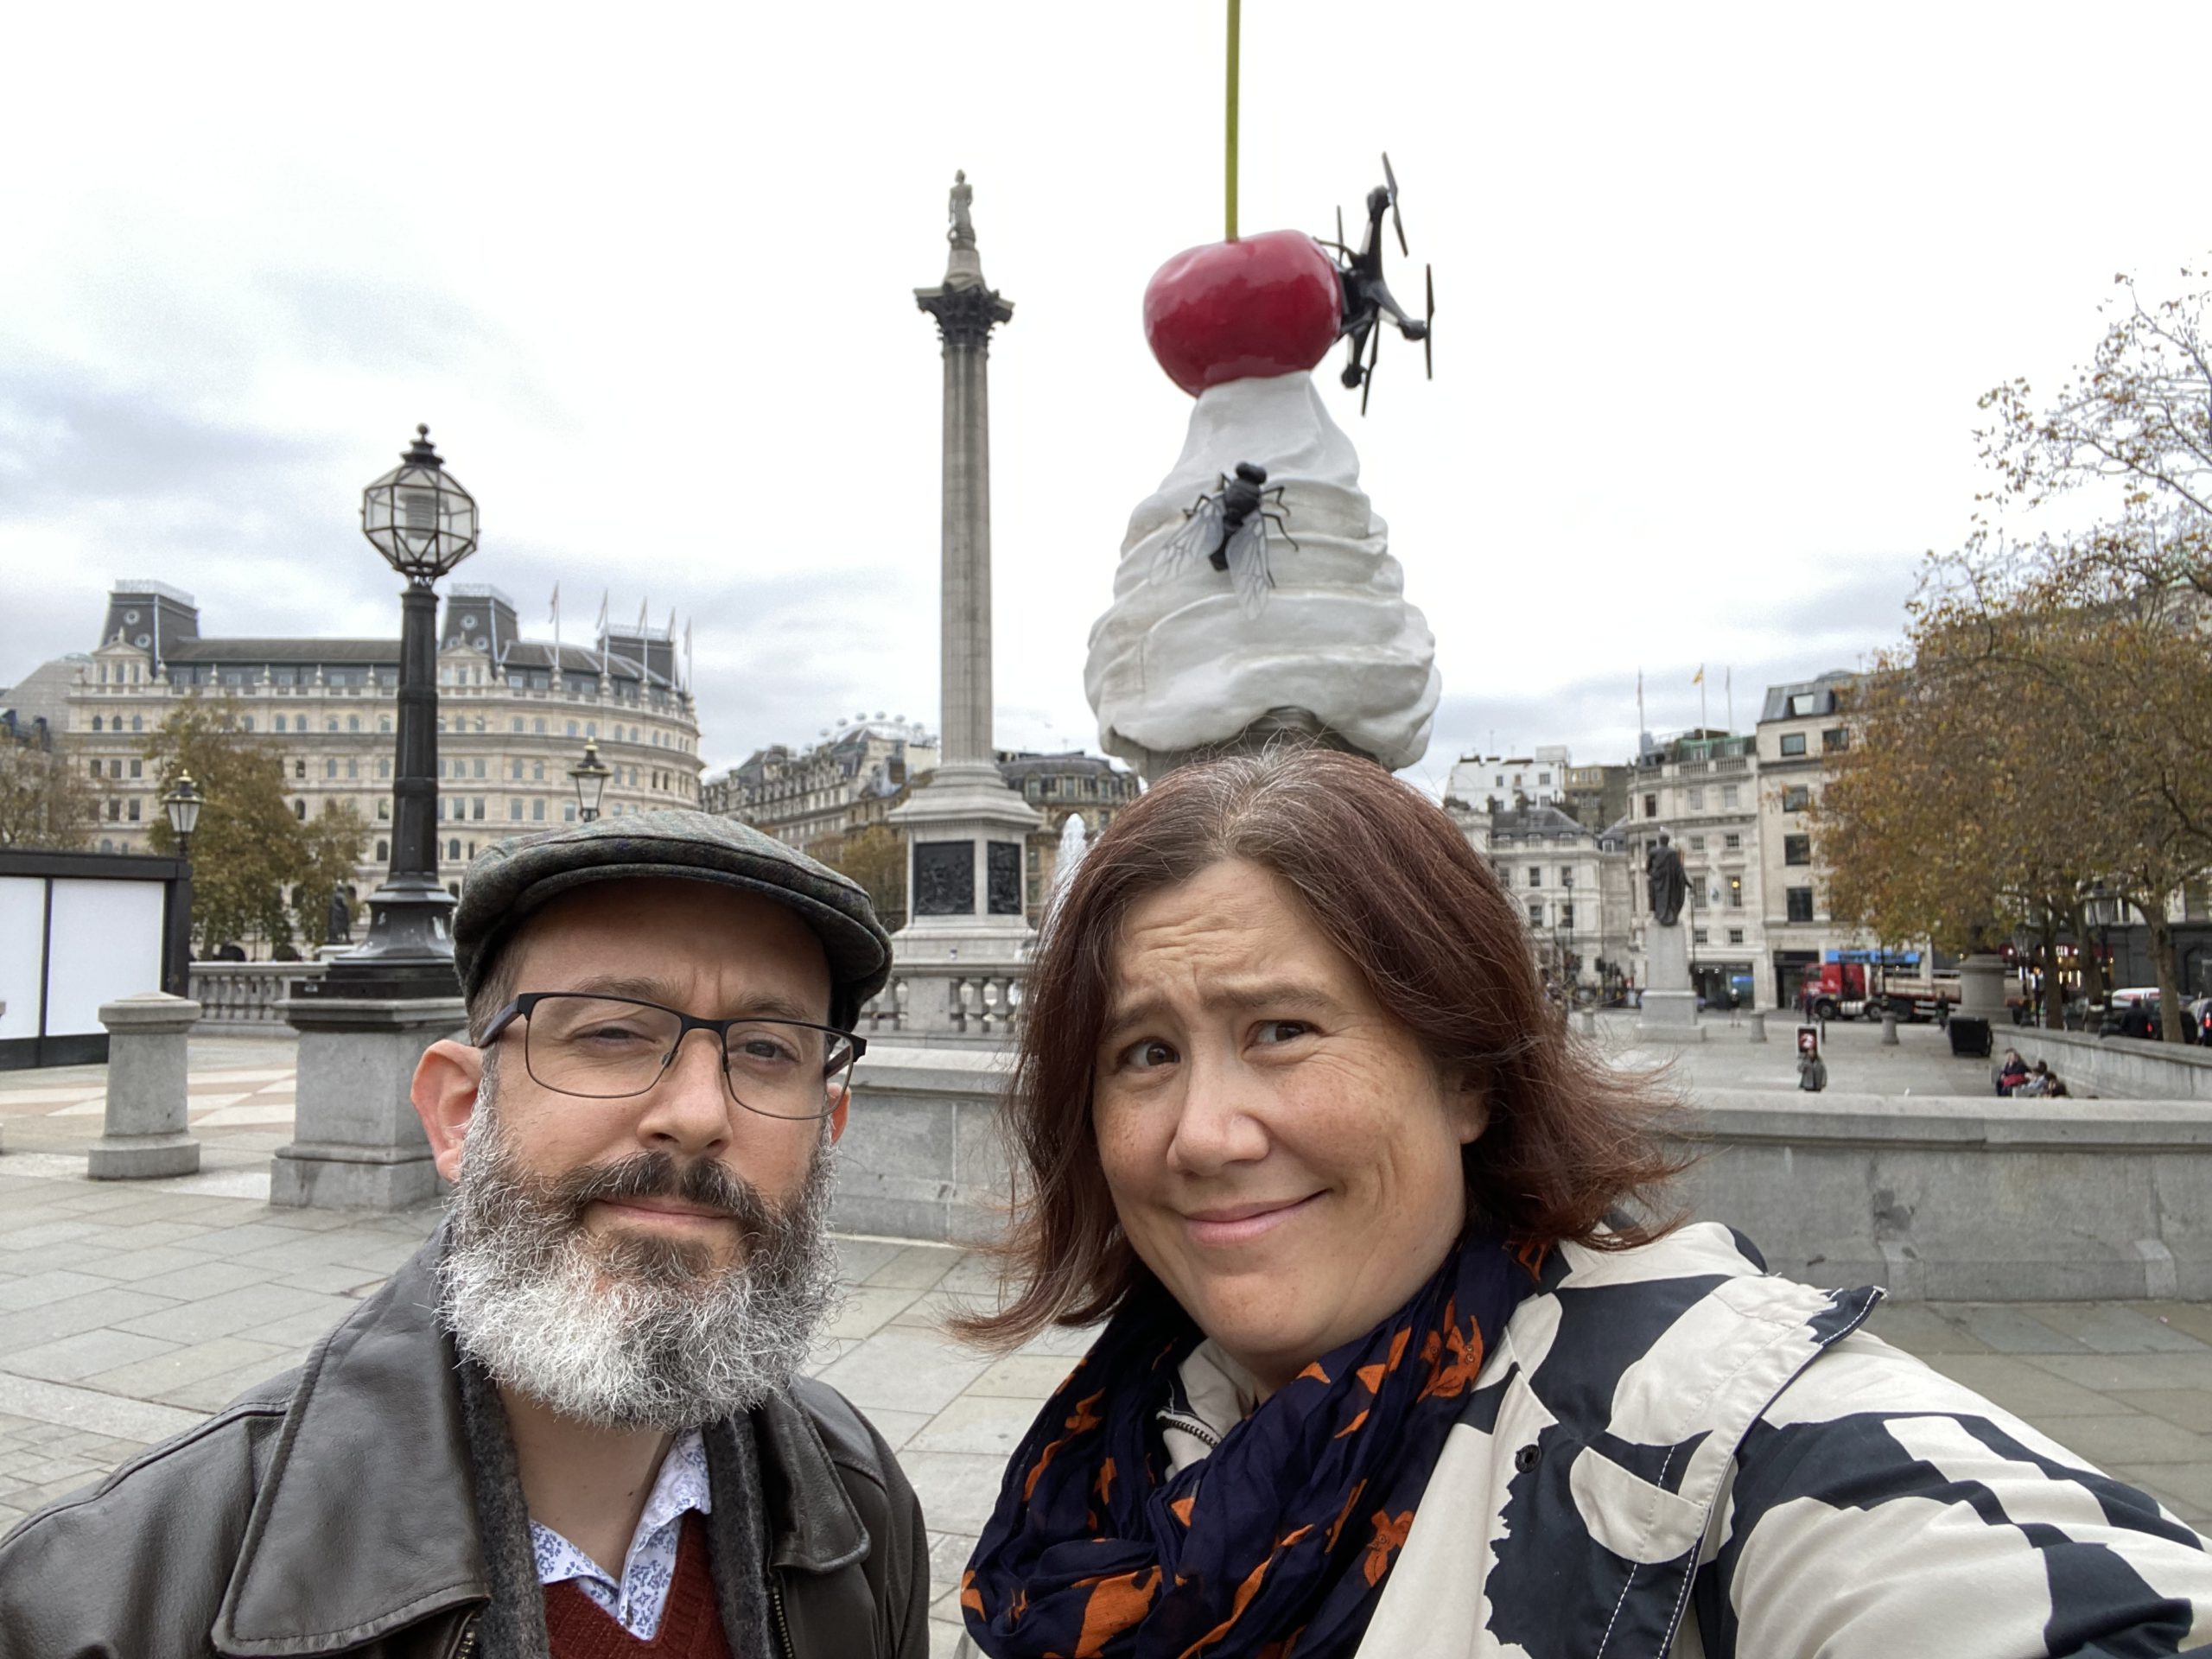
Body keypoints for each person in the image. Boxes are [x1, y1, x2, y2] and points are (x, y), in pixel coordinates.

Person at [951, 748, 2212, 1657]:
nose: (1205, 1134)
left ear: (1467, 1080)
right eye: (1144, 1053)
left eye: (1283, 1030)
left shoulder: (1704, 1426)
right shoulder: (1091, 1469)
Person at [0, 811, 930, 1658]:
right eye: (610, 1032)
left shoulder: (857, 1496)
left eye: (767, 1050)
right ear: (458, 1113)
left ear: (825, 1132)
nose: (695, 1114)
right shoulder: (106, 1606)